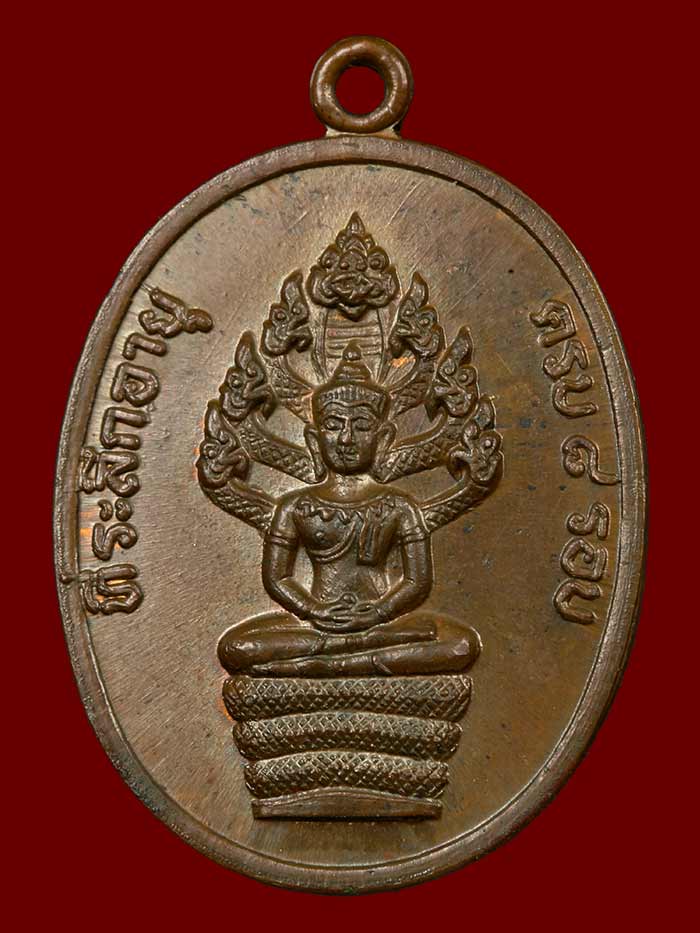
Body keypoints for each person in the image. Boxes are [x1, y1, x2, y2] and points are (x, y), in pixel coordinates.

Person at [218, 344, 480, 677]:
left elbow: (417, 581)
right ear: (314, 440)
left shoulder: (399, 506)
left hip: (381, 625)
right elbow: (278, 577)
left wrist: (377, 612)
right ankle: (348, 658)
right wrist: (314, 611)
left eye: (361, 426)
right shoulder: (295, 506)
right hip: (317, 627)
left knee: (460, 645)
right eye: (333, 425)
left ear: (382, 438)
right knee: (236, 648)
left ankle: (325, 664)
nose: (345, 439)